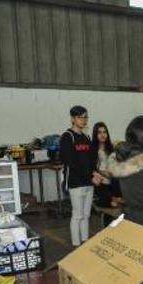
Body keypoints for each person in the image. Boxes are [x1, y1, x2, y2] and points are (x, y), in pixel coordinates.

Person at [60, 105, 98, 247]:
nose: (83, 120)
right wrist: (90, 176)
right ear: (73, 119)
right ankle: (76, 245)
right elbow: (71, 162)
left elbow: (91, 160)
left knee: (86, 216)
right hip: (75, 182)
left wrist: (95, 173)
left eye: (85, 117)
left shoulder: (86, 137)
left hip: (88, 183)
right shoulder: (67, 137)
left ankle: (85, 243)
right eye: (80, 117)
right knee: (77, 215)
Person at [91, 122, 120, 208]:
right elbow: (92, 167)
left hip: (113, 181)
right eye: (99, 132)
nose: (102, 135)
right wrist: (103, 173)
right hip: (100, 181)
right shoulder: (92, 149)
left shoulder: (111, 148)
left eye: (104, 132)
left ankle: (116, 199)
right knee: (113, 204)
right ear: (95, 134)